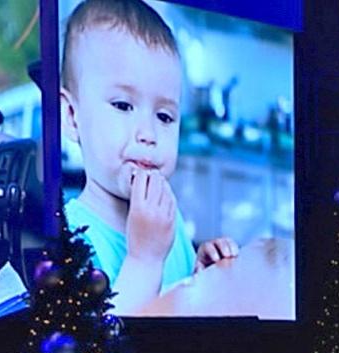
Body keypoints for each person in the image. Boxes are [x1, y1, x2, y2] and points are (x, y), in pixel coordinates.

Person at [59, 0, 242, 314]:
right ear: (73, 116)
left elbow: (174, 309)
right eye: (123, 106)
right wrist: (144, 259)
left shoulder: (168, 218)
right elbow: (104, 347)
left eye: (165, 116)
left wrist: (199, 276)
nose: (149, 133)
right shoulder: (70, 237)